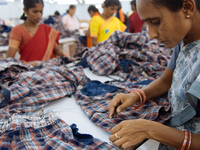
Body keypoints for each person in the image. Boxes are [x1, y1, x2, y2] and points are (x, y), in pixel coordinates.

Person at [108, 0, 200, 149]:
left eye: (156, 22)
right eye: (147, 24)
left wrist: (151, 130)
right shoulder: (184, 41)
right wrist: (136, 95)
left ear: (187, 8)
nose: (151, 35)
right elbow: (166, 81)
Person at [7, 0, 65, 64]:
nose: (39, 15)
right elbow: (9, 59)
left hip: (47, 69)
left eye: (41, 12)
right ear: (25, 10)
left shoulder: (46, 29)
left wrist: (65, 56)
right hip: (28, 70)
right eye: (35, 12)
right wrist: (25, 63)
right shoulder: (18, 30)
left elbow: (56, 49)